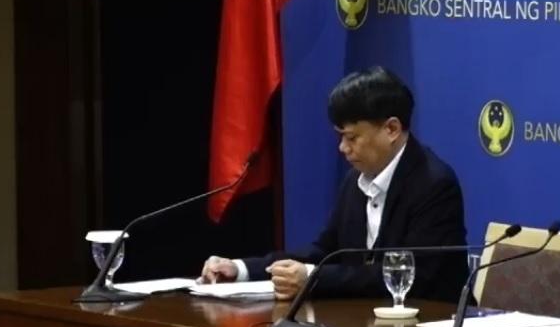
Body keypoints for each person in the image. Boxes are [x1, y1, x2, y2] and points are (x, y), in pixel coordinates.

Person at [200, 66, 469, 301]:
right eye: (340, 137)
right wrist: (241, 269)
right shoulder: (355, 180)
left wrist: (311, 278)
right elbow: (324, 253)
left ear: (392, 130)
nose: (343, 148)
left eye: (352, 138)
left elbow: (412, 278)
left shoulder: (434, 185)